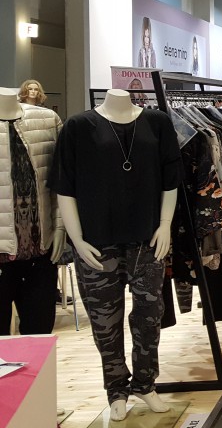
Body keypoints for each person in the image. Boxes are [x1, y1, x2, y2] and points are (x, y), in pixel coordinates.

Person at [50, 88, 181, 421]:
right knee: (105, 323)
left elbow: (171, 179)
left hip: (147, 240)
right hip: (97, 243)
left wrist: (165, 224)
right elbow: (64, 186)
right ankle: (116, 391)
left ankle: (145, 384)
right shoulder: (79, 126)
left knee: (150, 316)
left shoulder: (157, 122)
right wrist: (76, 239)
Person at [0, 87, 65, 336]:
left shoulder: (47, 120)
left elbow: (61, 182)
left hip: (41, 252)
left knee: (39, 336)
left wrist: (59, 225)